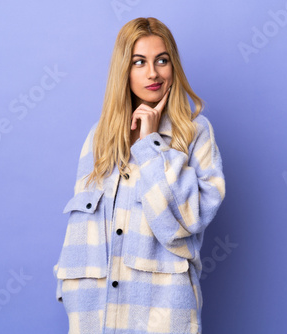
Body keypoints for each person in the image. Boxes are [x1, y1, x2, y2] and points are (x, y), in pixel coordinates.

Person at [53, 17, 225, 334]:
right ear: (124, 71)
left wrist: (150, 145)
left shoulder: (195, 133)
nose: (153, 73)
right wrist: (69, 291)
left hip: (162, 313)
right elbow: (79, 230)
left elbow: (184, 222)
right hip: (94, 312)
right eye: (139, 62)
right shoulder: (99, 137)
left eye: (162, 60)